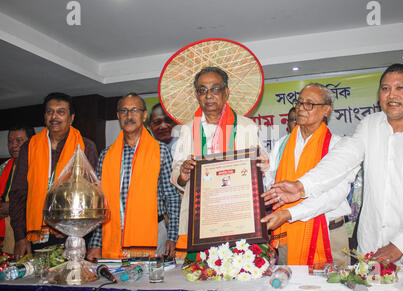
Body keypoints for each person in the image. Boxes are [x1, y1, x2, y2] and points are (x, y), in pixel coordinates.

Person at [262, 64, 403, 264]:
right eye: (385, 89)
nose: (391, 95)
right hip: (371, 249)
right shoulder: (370, 125)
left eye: (400, 88)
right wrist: (302, 186)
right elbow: (344, 158)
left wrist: (401, 243)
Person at [170, 66, 268, 260]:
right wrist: (182, 173)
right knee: (198, 277)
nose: (209, 95)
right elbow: (176, 175)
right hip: (199, 219)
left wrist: (262, 166)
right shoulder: (187, 130)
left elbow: (262, 166)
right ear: (197, 95)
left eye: (215, 89)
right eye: (202, 90)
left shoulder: (246, 126)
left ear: (226, 92)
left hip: (238, 216)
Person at [261, 83, 358, 265]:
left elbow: (333, 197)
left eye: (310, 104)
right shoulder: (282, 145)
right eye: (299, 102)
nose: (301, 108)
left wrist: (289, 213)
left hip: (328, 237)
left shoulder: (338, 146)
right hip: (287, 235)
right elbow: (272, 188)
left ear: (326, 110)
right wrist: (264, 172)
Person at [86, 93, 181, 260]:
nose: (129, 116)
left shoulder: (160, 150)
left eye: (134, 110)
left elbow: (172, 196)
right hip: (113, 234)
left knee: (150, 284)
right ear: (118, 116)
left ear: (144, 116)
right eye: (124, 111)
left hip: (152, 233)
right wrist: (95, 243)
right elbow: (100, 203)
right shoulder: (106, 155)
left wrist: (173, 237)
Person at [9, 92, 98, 259]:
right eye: (50, 112)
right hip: (35, 236)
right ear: (44, 116)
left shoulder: (85, 146)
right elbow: (18, 193)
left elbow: (91, 196)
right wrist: (20, 236)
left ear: (71, 118)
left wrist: (71, 227)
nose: (54, 117)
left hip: (72, 236)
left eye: (61, 112)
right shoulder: (30, 147)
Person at [0, 125, 35, 254]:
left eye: (19, 141)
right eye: (10, 141)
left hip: (31, 238)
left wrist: (13, 206)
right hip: (7, 240)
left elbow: (44, 200)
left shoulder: (38, 166)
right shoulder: (3, 168)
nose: (13, 145)